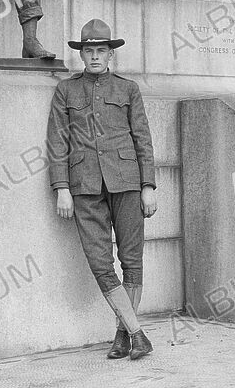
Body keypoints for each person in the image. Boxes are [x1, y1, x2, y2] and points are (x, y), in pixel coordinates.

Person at [46, 19, 157, 360]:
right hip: (84, 186)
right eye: (88, 51)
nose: (94, 56)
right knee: (100, 262)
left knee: (131, 260)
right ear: (81, 55)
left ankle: (124, 335)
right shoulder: (66, 90)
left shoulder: (128, 89)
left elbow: (143, 139)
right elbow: (57, 141)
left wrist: (148, 185)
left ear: (110, 54)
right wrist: (62, 187)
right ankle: (138, 332)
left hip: (126, 181)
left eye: (100, 51)